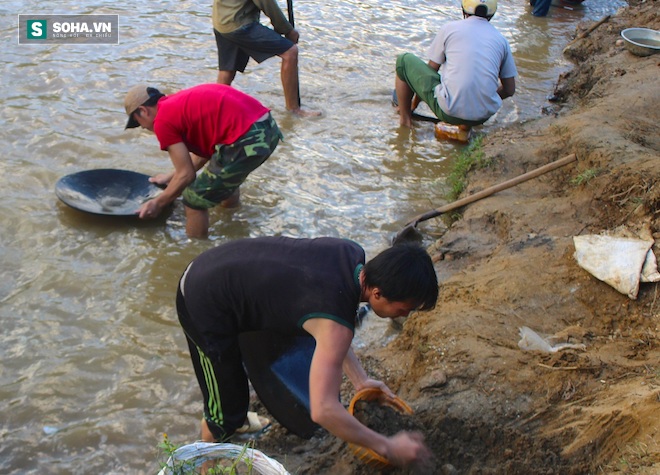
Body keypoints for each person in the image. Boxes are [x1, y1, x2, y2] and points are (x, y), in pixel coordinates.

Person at [176, 236, 439, 468]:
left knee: (242, 376)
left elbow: (335, 317)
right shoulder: (335, 321)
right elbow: (323, 410)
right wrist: (388, 446)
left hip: (230, 273)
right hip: (203, 299)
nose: (405, 315)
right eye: (405, 309)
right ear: (378, 294)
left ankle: (237, 418)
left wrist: (360, 379)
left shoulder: (349, 253)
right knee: (224, 406)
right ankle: (208, 459)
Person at [123, 83, 282, 238]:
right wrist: (170, 177)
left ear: (143, 111)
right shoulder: (178, 104)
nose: (142, 127)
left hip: (247, 139)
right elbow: (204, 154)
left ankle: (196, 250)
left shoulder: (162, 121)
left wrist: (158, 203)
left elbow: (187, 175)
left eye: (137, 122)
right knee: (223, 174)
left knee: (193, 199)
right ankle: (232, 221)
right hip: (268, 127)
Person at [394, 0, 517, 129]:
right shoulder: (502, 40)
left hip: (449, 112)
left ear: (464, 10)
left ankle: (405, 121)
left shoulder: (450, 28)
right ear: (492, 14)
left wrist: (413, 105)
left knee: (403, 60)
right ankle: (465, 125)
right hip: (483, 116)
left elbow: (431, 71)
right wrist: (484, 101)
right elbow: (509, 89)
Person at [212, 0, 320, 117]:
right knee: (290, 52)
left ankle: (215, 109)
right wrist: (288, 30)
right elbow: (267, 3)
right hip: (238, 23)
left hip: (221, 20)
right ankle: (294, 109)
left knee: (227, 69)